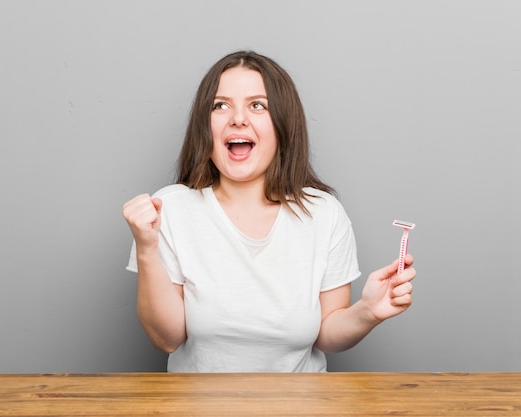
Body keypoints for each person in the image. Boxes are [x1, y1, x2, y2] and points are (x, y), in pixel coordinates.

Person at [123, 50, 416, 372]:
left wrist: (368, 312)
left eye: (257, 105)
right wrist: (147, 250)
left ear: (282, 125)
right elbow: (167, 339)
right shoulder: (171, 209)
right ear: (204, 125)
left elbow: (327, 335)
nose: (237, 118)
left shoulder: (324, 214)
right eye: (220, 105)